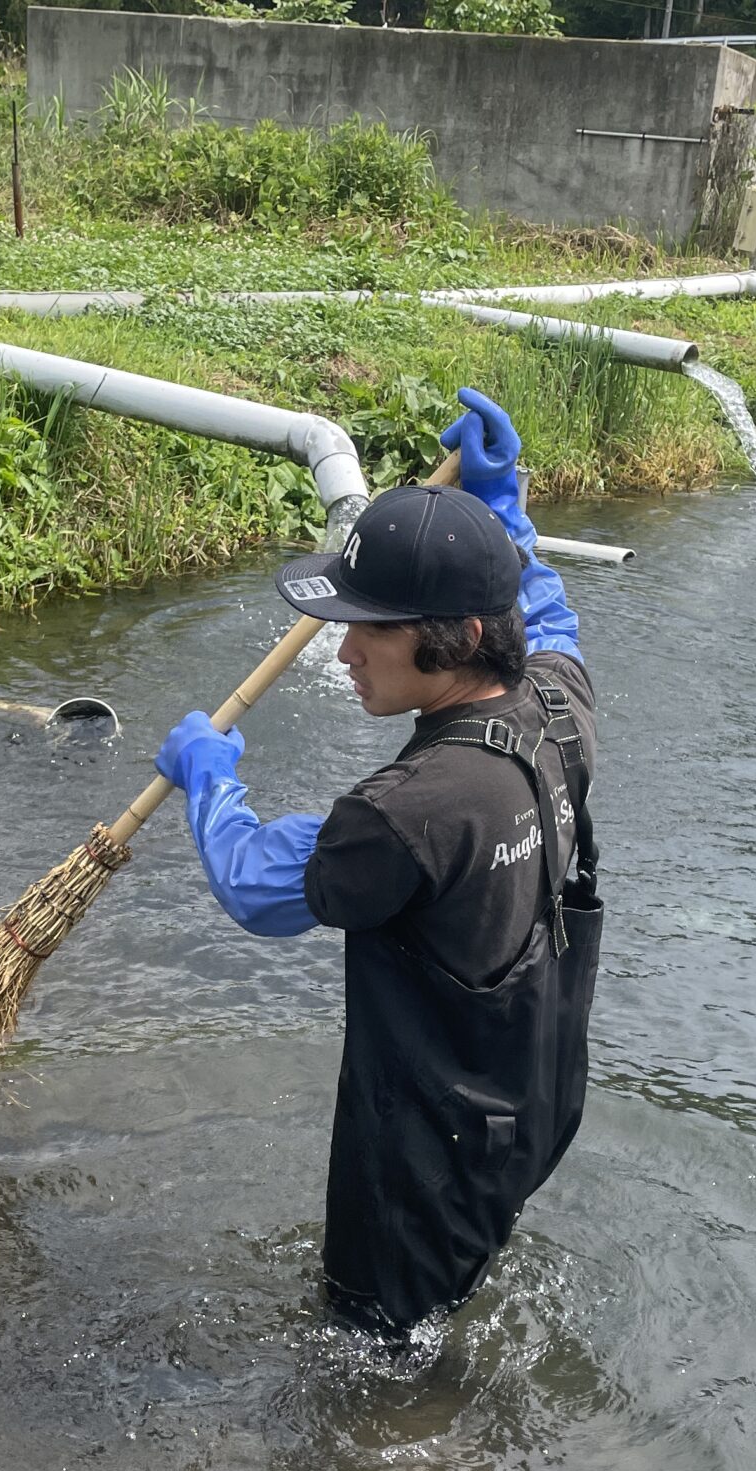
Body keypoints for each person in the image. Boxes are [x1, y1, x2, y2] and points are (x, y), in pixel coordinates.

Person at [151, 388, 601, 1339]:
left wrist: (209, 779)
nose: (344, 651)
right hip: (531, 1105)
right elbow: (545, 607)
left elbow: (252, 885)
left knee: (372, 1361)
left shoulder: (404, 815)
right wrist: (502, 498)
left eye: (372, 629)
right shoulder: (559, 706)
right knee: (458, 1302)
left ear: (460, 638)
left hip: (422, 1164)